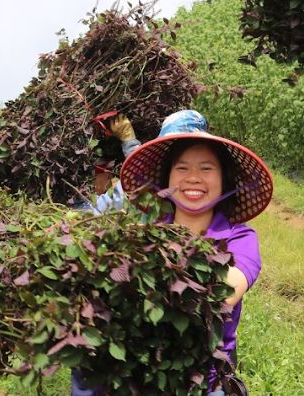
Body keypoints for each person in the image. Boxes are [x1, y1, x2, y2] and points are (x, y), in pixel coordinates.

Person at [71, 110, 273, 395]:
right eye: (181, 168)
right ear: (166, 179)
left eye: (206, 169)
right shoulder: (147, 231)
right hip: (140, 373)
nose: (193, 178)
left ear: (225, 180)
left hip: (205, 379)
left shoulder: (239, 237)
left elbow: (224, 290)